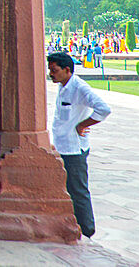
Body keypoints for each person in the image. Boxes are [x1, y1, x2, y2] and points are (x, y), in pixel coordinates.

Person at [47, 51, 111, 238]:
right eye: (50, 69)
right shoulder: (63, 85)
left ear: (67, 70)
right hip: (61, 147)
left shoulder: (80, 88)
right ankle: (70, 223)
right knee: (64, 188)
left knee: (78, 190)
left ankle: (86, 230)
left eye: (54, 70)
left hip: (73, 150)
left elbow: (104, 109)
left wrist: (84, 124)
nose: (51, 73)